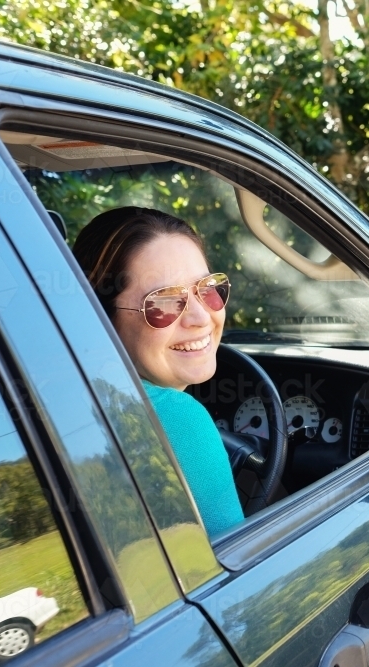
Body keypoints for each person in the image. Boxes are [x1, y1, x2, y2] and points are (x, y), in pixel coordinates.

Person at [73, 207, 244, 537]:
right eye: (164, 302)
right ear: (102, 318)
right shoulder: (176, 419)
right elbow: (245, 582)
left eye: (208, 289)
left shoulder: (76, 399)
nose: (200, 317)